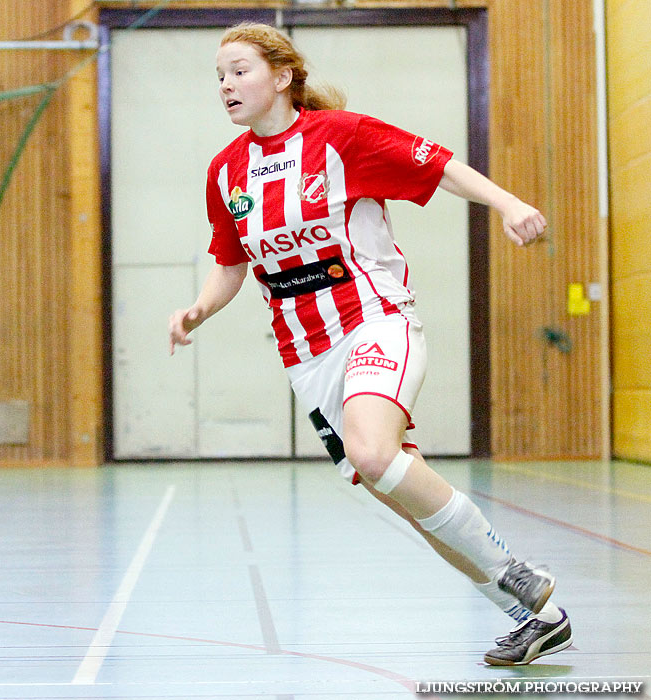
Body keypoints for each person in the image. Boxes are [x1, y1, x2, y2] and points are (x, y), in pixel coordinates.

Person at [167, 22, 572, 666]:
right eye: (219, 75)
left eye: (239, 70)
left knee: (373, 451)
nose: (226, 85)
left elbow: (440, 166)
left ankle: (517, 573)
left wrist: (507, 203)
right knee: (399, 492)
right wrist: (197, 309)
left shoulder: (342, 137)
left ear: (282, 76)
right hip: (305, 353)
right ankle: (536, 614)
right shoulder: (226, 173)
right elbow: (231, 265)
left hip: (375, 320)